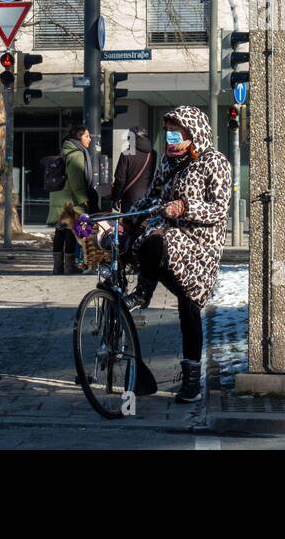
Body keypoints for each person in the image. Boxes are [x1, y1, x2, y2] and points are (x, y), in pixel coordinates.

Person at [128, 105, 231, 404]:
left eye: (178, 133)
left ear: (193, 134)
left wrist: (186, 207)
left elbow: (219, 209)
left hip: (200, 244)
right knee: (149, 241)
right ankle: (142, 293)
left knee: (189, 308)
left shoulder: (215, 163)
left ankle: (190, 381)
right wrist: (123, 218)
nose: (171, 139)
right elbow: (151, 198)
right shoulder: (167, 164)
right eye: (169, 133)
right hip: (171, 236)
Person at [48, 125, 92, 274]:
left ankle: (57, 266)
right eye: (87, 136)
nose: (90, 139)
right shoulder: (76, 154)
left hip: (59, 195)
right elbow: (76, 179)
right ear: (79, 138)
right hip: (70, 198)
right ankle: (69, 266)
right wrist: (83, 198)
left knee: (60, 231)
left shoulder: (64, 151)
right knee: (72, 231)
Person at [111, 127, 154, 212]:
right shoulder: (153, 153)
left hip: (129, 198)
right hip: (146, 198)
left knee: (128, 224)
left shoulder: (126, 153)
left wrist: (115, 198)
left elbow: (120, 179)